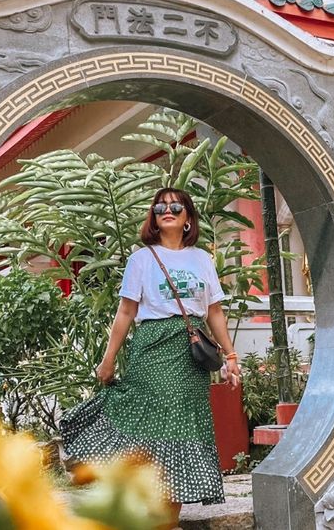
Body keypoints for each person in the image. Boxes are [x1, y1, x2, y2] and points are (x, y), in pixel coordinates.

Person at [60, 187, 241, 530]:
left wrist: (231, 356)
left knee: (181, 428)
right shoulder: (142, 259)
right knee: (153, 428)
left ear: (188, 217)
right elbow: (126, 311)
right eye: (161, 207)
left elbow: (214, 311)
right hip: (152, 347)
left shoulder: (201, 258)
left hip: (190, 355)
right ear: (154, 217)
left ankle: (166, 520)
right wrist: (108, 360)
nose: (167, 210)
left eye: (176, 206)